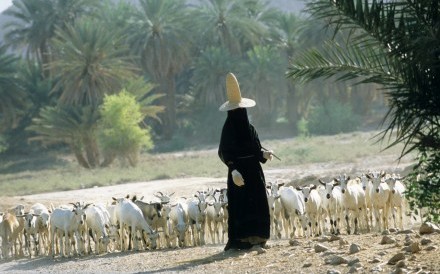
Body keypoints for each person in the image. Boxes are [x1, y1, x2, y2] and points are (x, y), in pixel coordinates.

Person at [218, 72, 274, 252]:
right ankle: (241, 240)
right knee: (241, 204)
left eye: (240, 110)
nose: (238, 113)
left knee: (257, 203)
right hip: (239, 174)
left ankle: (259, 237)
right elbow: (224, 152)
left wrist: (264, 154)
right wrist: (233, 169)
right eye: (234, 111)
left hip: (255, 172)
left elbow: (256, 149)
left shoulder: (250, 129)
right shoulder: (228, 130)